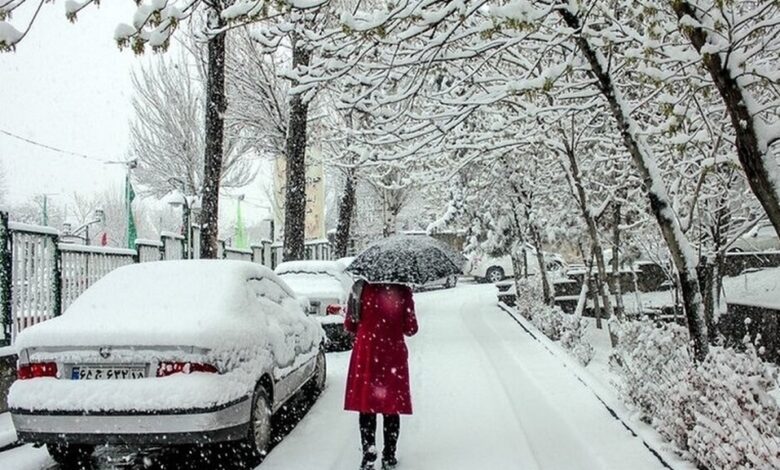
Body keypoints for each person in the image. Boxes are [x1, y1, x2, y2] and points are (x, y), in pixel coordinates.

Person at [344, 280, 418, 470]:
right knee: (391, 406)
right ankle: (389, 456)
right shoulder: (403, 291)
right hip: (392, 354)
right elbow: (411, 329)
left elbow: (350, 325)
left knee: (366, 405)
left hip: (367, 352)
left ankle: (369, 452)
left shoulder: (359, 288)